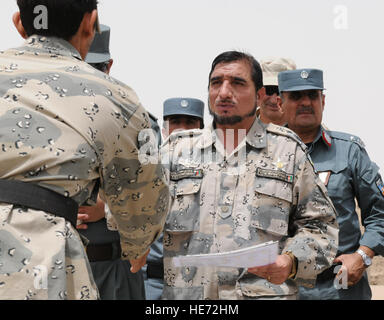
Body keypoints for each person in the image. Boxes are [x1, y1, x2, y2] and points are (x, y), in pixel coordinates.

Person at [0, 1, 168, 300]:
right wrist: (137, 245)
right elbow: (147, 202)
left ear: (19, 23)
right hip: (39, 264)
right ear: (90, 24)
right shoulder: (118, 99)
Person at [161, 51, 338, 300]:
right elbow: (140, 214)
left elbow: (321, 226)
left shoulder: (288, 151)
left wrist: (290, 261)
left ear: (259, 95)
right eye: (216, 83)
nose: (223, 92)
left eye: (237, 83)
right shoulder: (174, 151)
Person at [277, 68, 384, 300]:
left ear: (323, 101)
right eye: (296, 96)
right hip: (283, 288)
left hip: (341, 286)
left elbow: (380, 213)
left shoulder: (349, 151)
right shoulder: (264, 156)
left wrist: (363, 256)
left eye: (312, 95)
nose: (306, 102)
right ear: (280, 103)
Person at [75, 24, 146, 300]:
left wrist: (106, 210)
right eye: (82, 67)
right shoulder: (40, 120)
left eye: (97, 68)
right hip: (54, 266)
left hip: (115, 273)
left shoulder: (137, 123)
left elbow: (158, 198)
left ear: (109, 66)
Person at [143, 97, 205, 300]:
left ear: (202, 128)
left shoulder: (216, 172)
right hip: (152, 280)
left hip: (196, 282)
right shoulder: (148, 168)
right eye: (175, 122)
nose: (182, 129)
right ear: (164, 128)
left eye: (190, 122)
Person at [257, 57, 296, 126]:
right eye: (269, 90)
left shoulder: (312, 133)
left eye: (280, 92)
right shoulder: (238, 130)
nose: (274, 100)